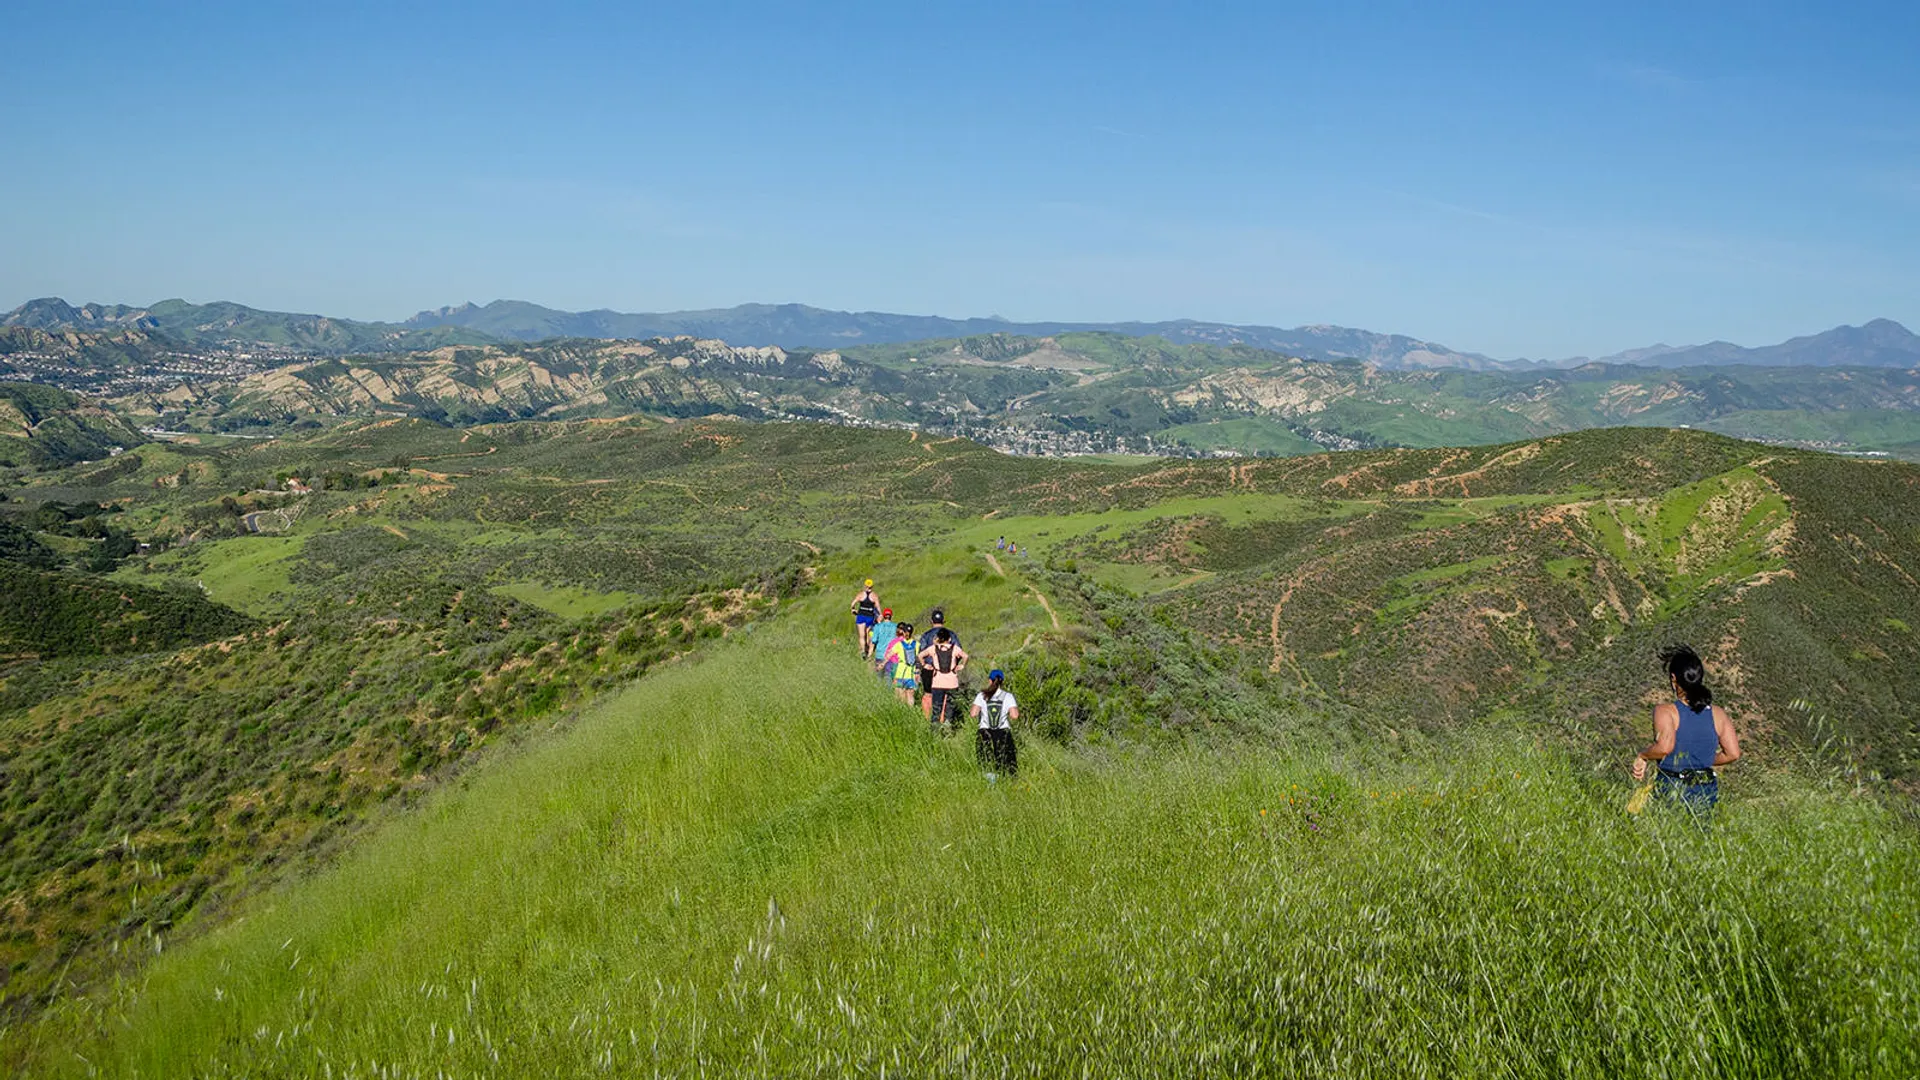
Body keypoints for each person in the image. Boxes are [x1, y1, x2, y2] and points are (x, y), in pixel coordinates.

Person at [1632, 645, 1742, 815]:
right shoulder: (1718, 714)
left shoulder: (1666, 711)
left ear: (1673, 679)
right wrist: (1699, 760)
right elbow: (1733, 753)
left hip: (1673, 786)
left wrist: (1643, 755)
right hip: (1707, 789)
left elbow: (1664, 747)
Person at [971, 669, 1019, 778]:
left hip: (984, 731)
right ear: (1002, 682)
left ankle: (990, 783)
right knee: (1006, 762)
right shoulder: (1008, 696)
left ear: (989, 680)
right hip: (1003, 732)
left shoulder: (981, 695)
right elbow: (1015, 715)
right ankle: (1008, 781)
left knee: (986, 761)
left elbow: (973, 713)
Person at [917, 610, 963, 721]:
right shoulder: (951, 634)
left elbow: (921, 652)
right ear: (943, 621)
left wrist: (921, 667)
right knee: (945, 697)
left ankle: (928, 719)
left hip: (929, 669)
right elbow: (959, 652)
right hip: (946, 671)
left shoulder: (926, 635)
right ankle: (943, 721)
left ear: (931, 621)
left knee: (928, 695)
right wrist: (954, 665)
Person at [921, 627, 967, 732]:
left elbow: (920, 655)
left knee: (937, 708)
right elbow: (965, 656)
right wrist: (962, 666)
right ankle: (947, 729)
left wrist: (925, 665)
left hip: (937, 682)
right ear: (949, 639)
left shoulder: (933, 648)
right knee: (949, 708)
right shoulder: (954, 648)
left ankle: (935, 731)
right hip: (952, 683)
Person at [883, 621, 919, 705]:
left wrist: (882, 664)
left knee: (900, 692)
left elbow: (888, 655)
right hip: (911, 673)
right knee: (910, 695)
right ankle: (910, 712)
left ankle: (902, 710)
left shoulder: (898, 644)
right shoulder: (917, 644)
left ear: (903, 632)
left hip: (900, 673)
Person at [851, 579, 881, 658]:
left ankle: (863, 651)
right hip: (870, 616)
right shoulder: (874, 595)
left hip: (861, 616)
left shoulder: (861, 594)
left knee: (862, 635)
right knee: (868, 633)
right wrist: (880, 615)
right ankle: (868, 649)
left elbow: (853, 603)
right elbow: (878, 607)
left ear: (865, 585)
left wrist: (853, 609)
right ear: (872, 586)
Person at [870, 608, 897, 678]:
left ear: (883, 616)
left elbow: (873, 642)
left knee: (879, 677)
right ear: (891, 616)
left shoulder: (877, 627)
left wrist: (869, 655)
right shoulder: (896, 627)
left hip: (880, 655)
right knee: (889, 677)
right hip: (891, 656)